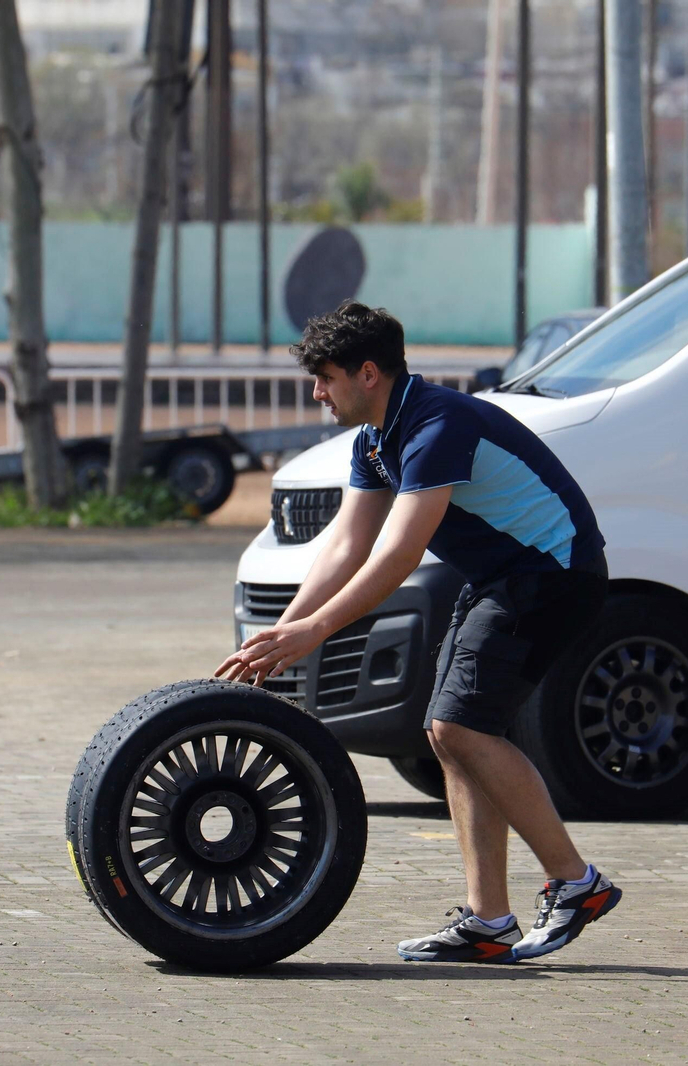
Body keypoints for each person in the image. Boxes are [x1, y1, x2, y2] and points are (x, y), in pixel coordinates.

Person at [216, 301, 619, 962]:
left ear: (367, 373)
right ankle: (489, 921)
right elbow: (346, 546)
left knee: (463, 728)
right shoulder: (375, 441)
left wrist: (316, 631)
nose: (317, 392)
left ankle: (577, 883)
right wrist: (282, 633)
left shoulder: (437, 425)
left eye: (325, 377)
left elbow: (398, 556)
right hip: (500, 580)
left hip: (553, 575)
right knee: (450, 734)